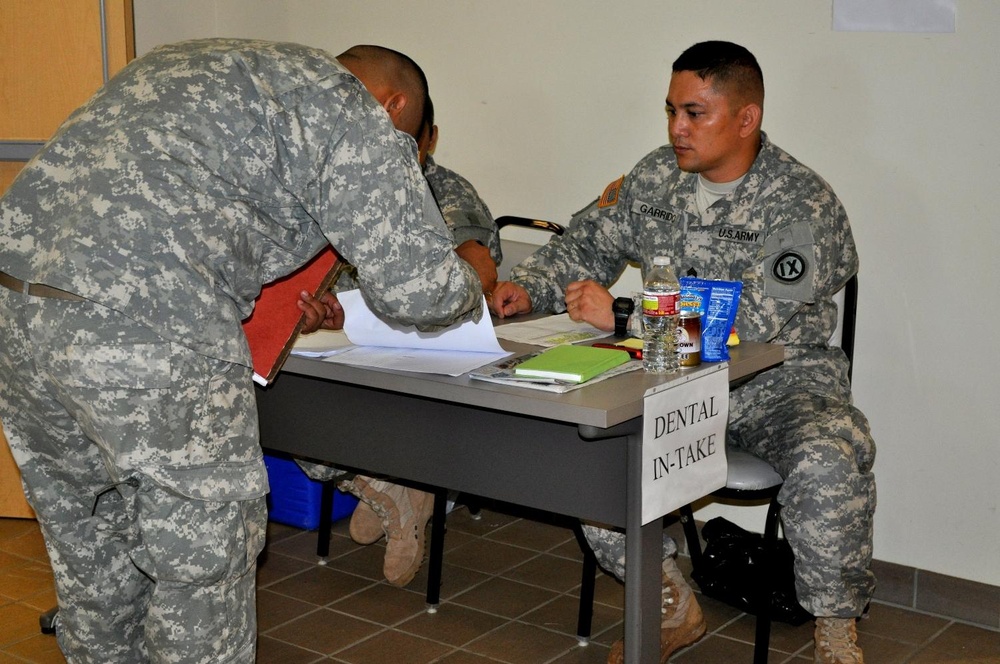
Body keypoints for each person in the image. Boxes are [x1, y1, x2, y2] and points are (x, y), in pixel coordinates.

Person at [0, 38, 481, 663]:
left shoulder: (209, 60)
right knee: (202, 564)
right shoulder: (350, 112)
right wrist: (474, 296)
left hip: (18, 304)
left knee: (92, 543)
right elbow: (419, 289)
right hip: (151, 325)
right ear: (394, 106)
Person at [490, 41, 875, 664]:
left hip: (779, 386)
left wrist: (624, 314)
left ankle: (834, 625)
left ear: (746, 118)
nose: (676, 128)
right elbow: (585, 245)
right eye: (671, 110)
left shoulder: (800, 204)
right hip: (667, 378)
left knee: (830, 455)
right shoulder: (653, 177)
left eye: (695, 113)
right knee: (593, 447)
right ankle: (670, 599)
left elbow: (746, 325)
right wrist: (523, 288)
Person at [300, 87, 503, 588]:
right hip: (346, 346)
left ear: (429, 140)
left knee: (324, 417)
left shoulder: (444, 192)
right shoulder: (335, 184)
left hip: (419, 353)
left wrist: (357, 313)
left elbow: (468, 274)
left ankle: (392, 484)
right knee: (288, 410)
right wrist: (323, 309)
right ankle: (389, 489)